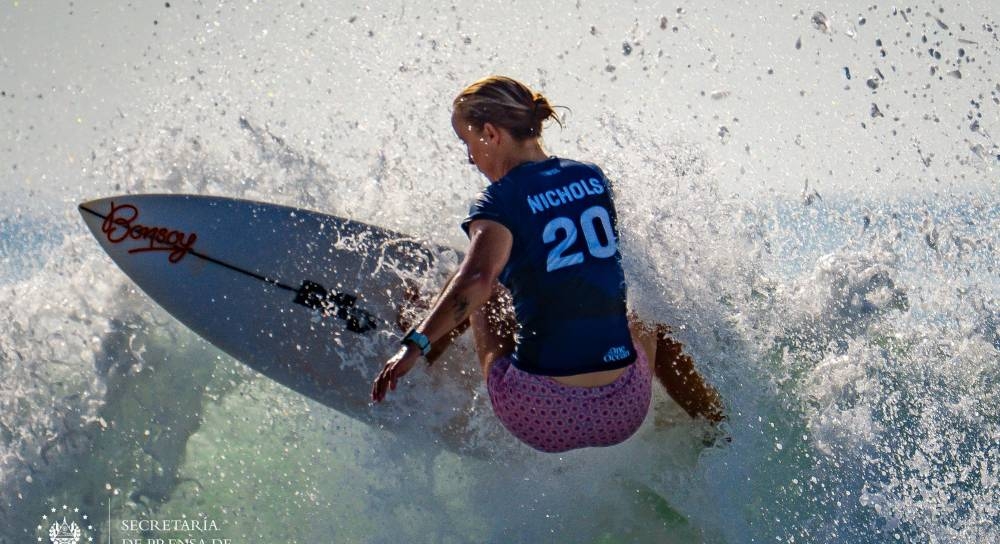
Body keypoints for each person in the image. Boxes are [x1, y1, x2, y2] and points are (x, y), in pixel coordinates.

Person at [371, 76, 722, 453]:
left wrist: (414, 344)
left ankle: (427, 346)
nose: (470, 158)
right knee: (647, 308)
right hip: (624, 410)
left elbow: (477, 279)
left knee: (478, 279)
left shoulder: (498, 201)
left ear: (490, 133)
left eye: (467, 143)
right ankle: (719, 428)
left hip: (539, 413)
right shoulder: (593, 178)